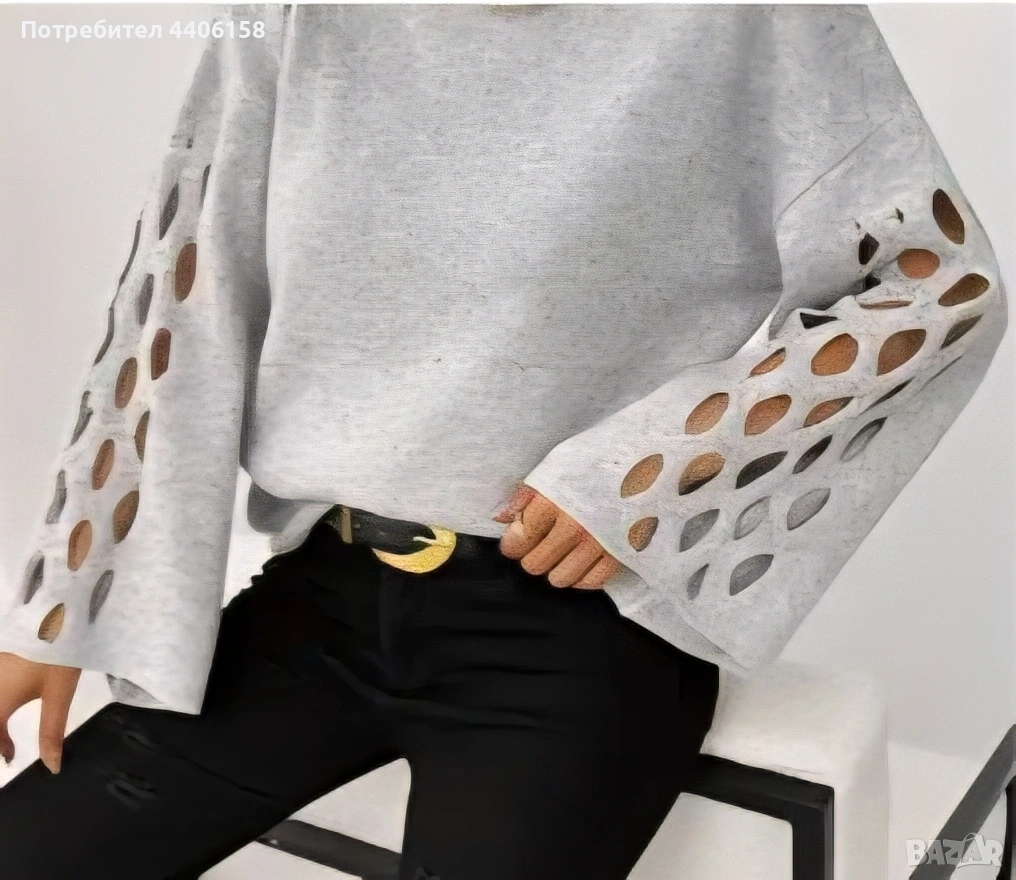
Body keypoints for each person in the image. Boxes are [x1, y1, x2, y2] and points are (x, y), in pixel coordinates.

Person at [0, 4, 1007, 878]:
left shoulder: (755, 17)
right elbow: (183, 300)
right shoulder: (297, 12)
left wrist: (640, 478)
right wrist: (62, 606)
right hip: (321, 599)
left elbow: (941, 287)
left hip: (576, 634)